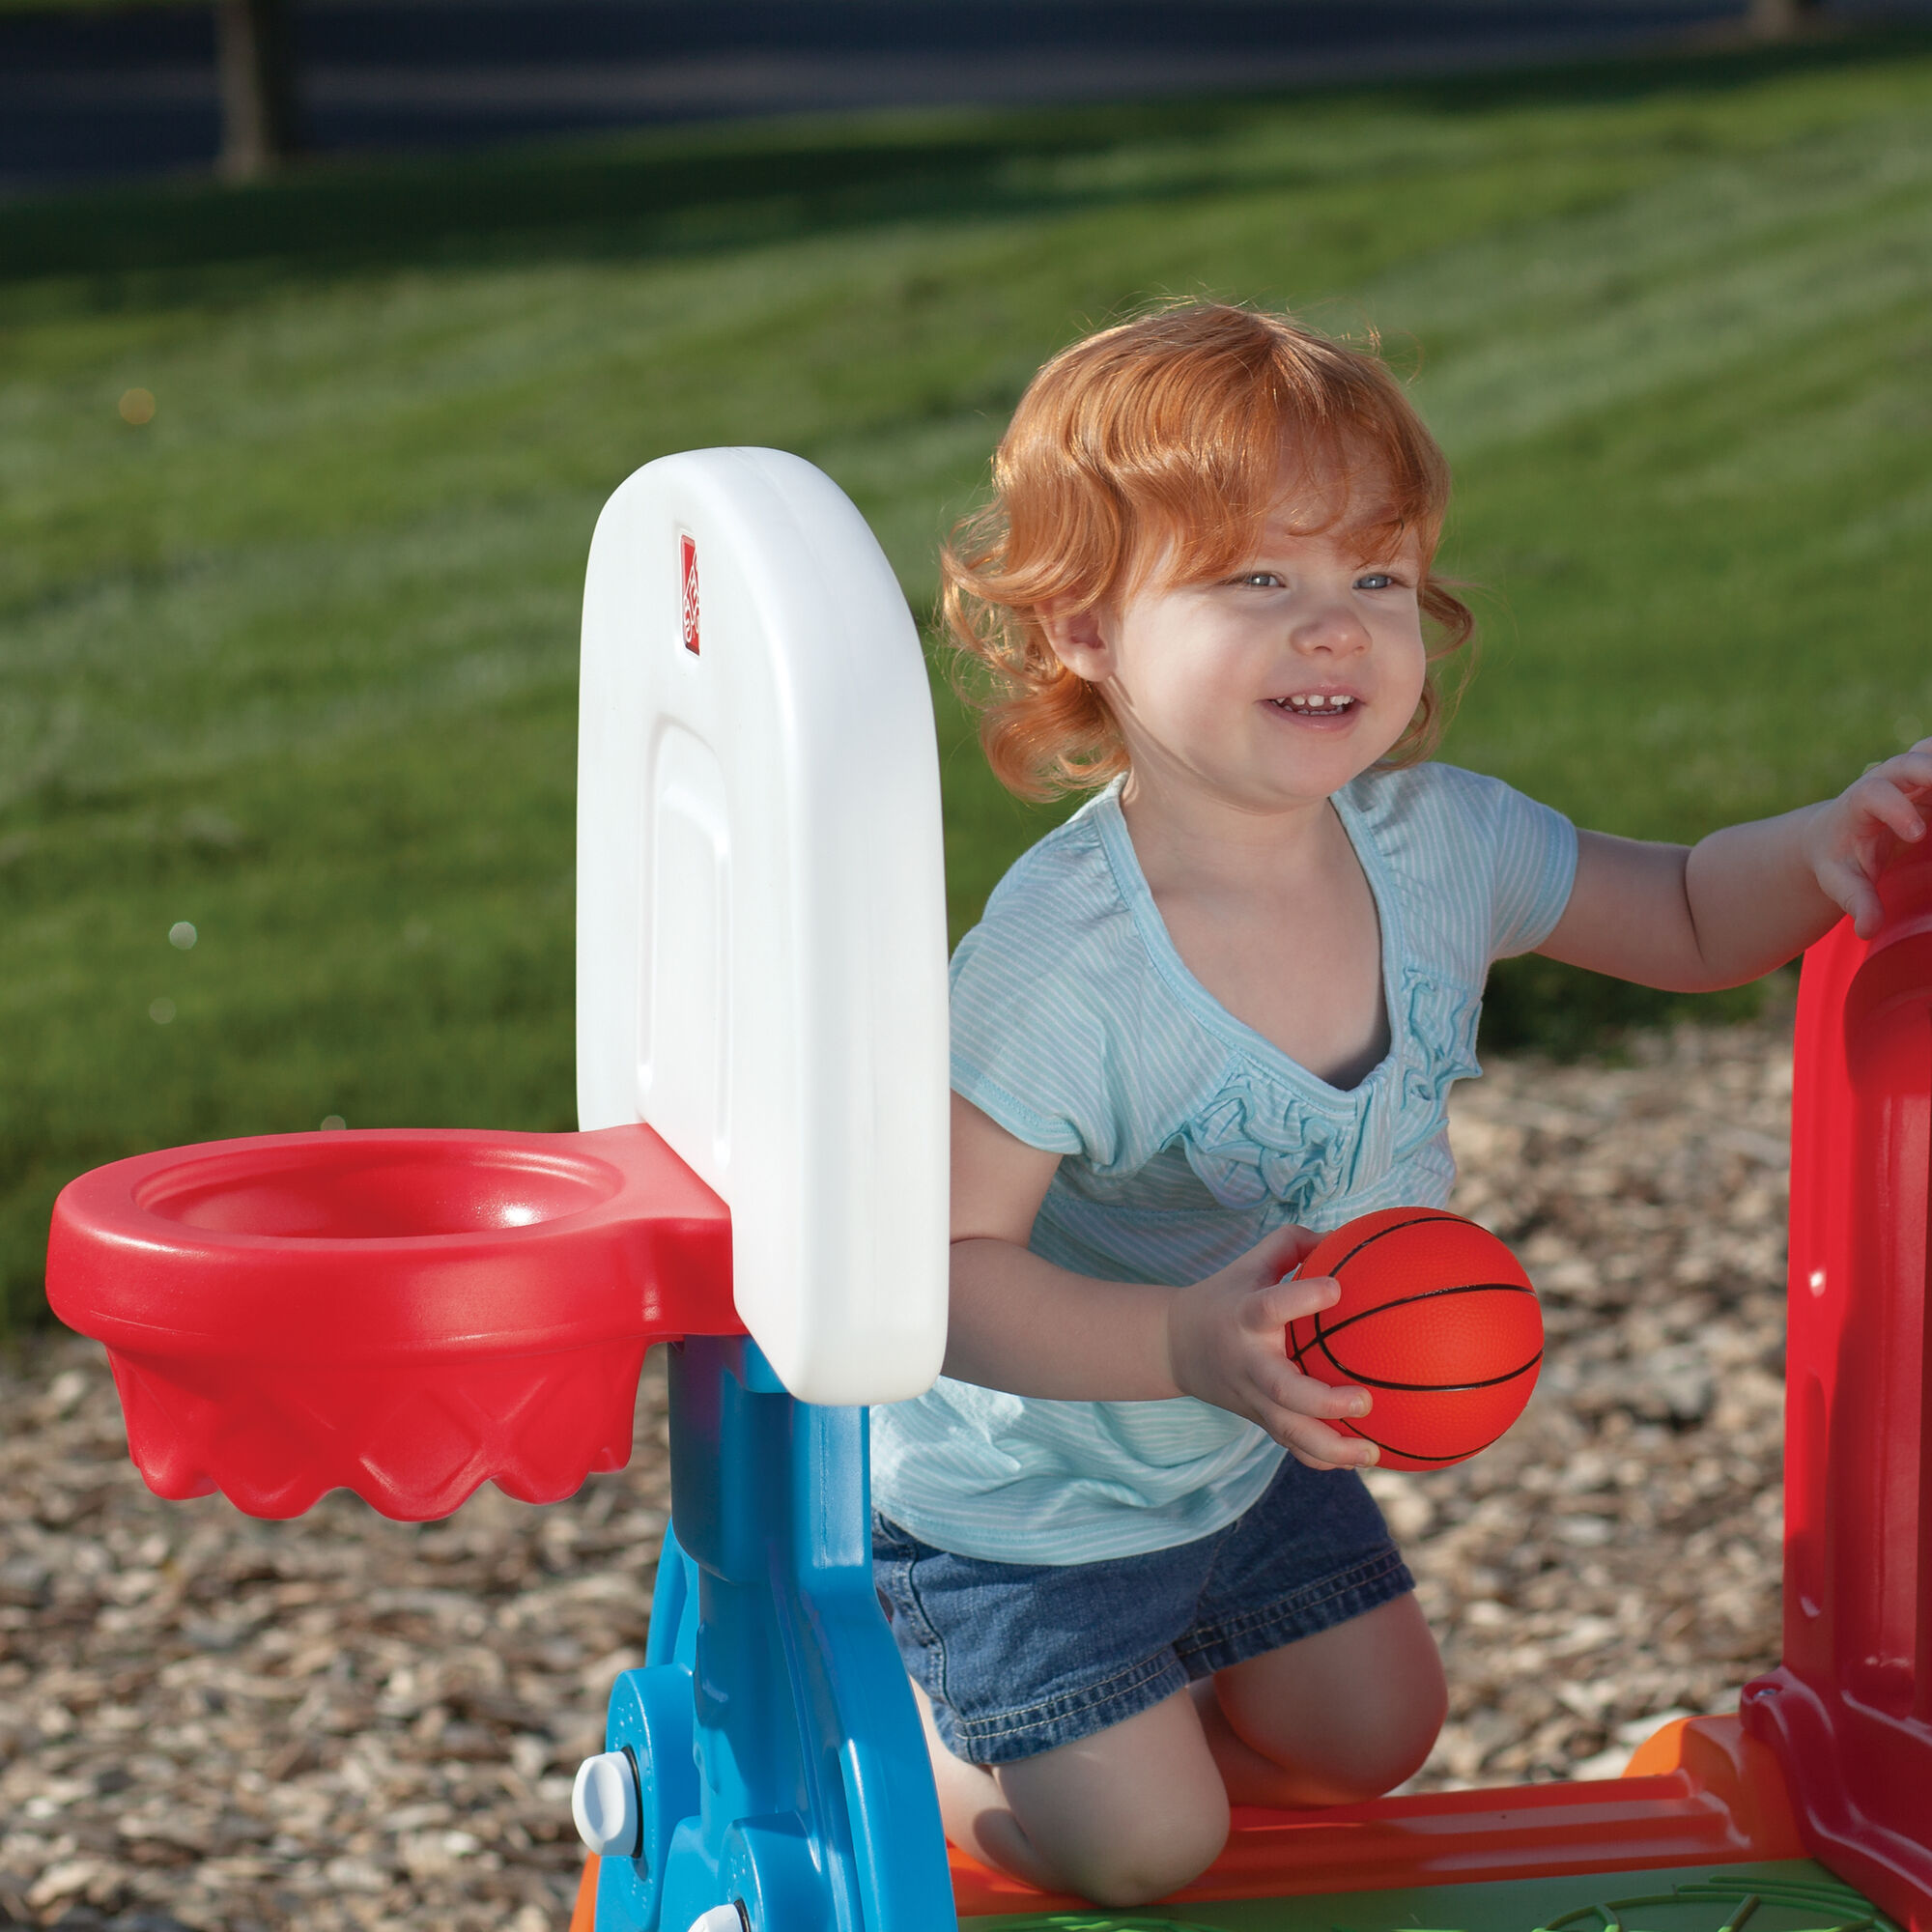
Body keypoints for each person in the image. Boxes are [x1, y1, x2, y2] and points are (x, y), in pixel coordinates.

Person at [867, 301, 1932, 1908]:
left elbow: (1695, 914)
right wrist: (1177, 1348)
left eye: (1374, 577)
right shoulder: (1063, 970)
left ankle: (1114, 1727)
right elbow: (937, 1274)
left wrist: (1831, 842)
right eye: (1256, 582)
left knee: (1377, 1736)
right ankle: (920, 1726)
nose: (1335, 629)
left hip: (1247, 1457)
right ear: (1084, 627)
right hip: (1030, 1501)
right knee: (1147, 1852)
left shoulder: (1438, 845)